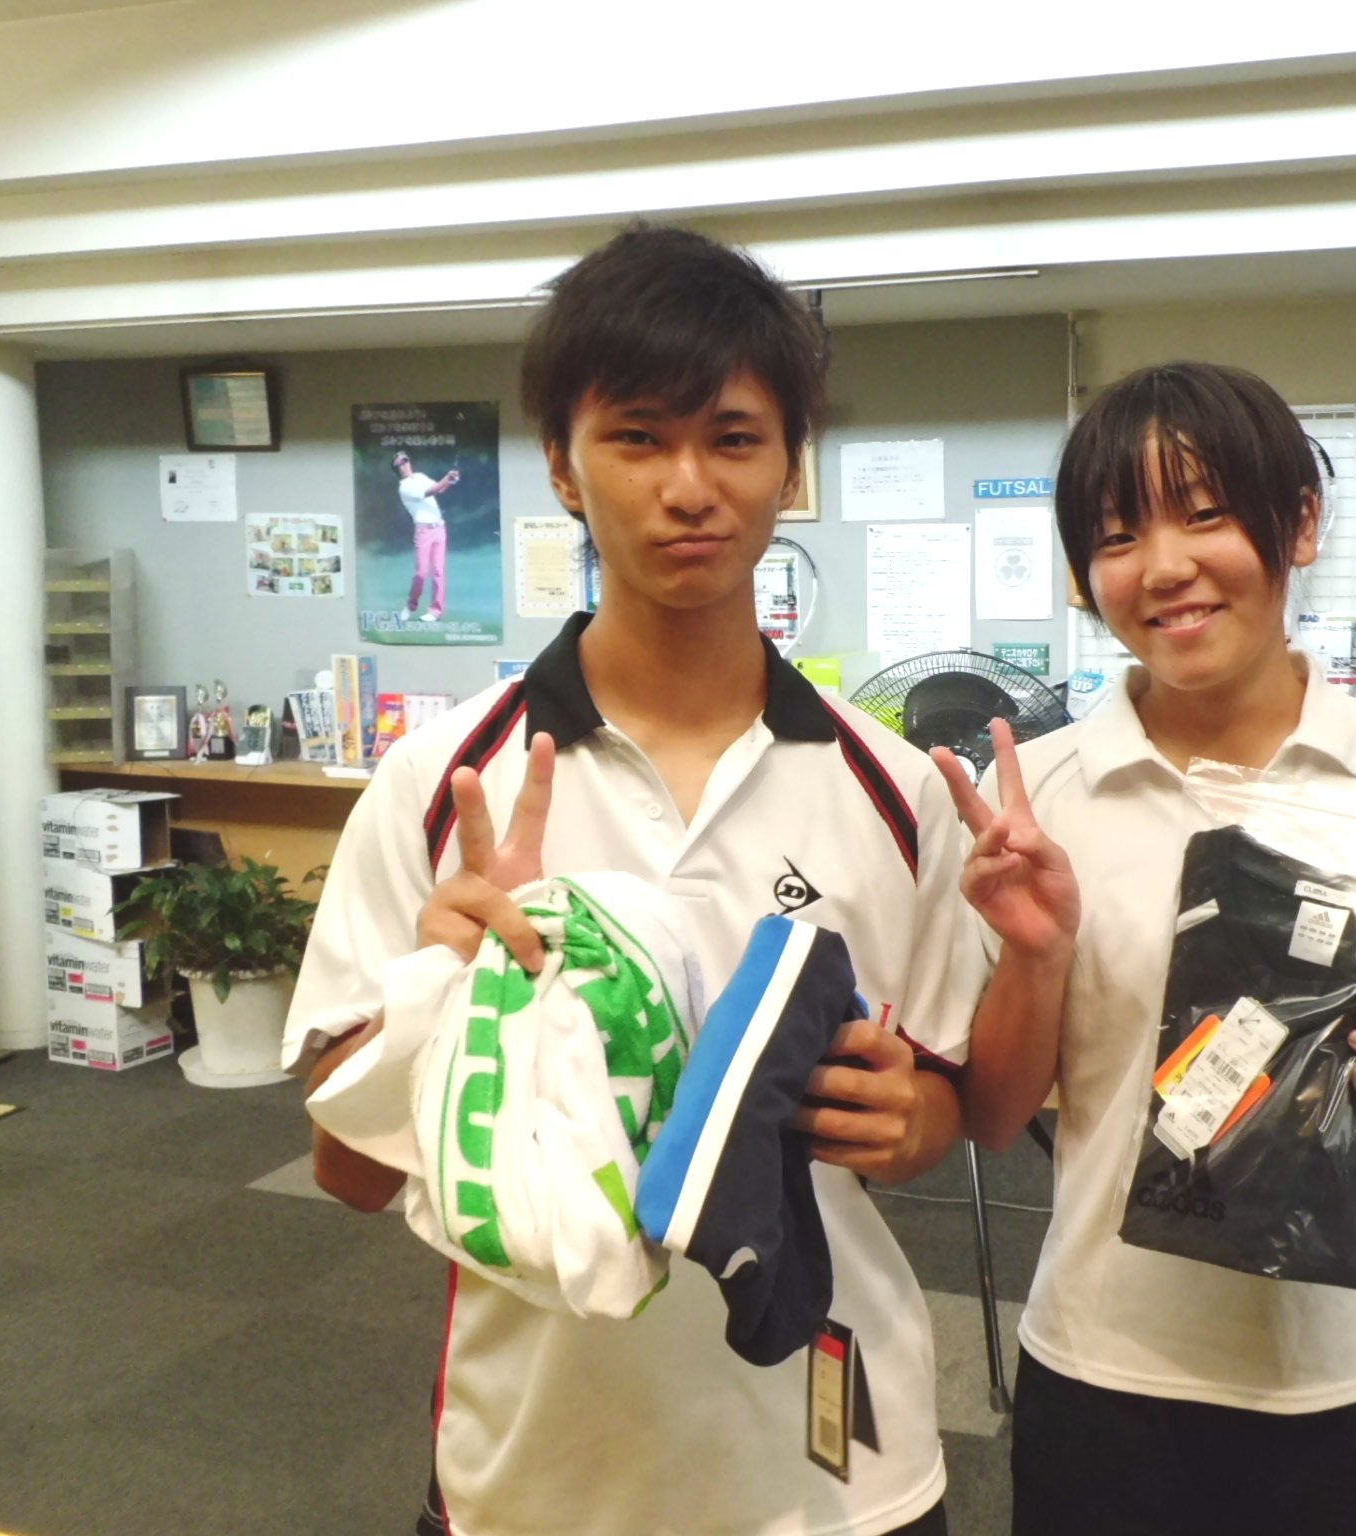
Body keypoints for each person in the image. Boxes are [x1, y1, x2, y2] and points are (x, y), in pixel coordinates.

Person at [286, 224, 1073, 1536]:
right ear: (562, 463)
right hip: (536, 1477)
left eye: (734, 437)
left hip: (838, 1477)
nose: (689, 487)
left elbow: (946, 1109)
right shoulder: (445, 784)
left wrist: (906, 1120)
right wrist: (437, 989)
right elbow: (346, 1174)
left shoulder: (892, 789)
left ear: (789, 466)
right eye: (638, 438)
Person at [936, 362, 1356, 1536]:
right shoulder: (1039, 797)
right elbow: (993, 1117)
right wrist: (1037, 955)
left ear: (1296, 523)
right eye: (1115, 536)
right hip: (1103, 1368)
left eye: (1203, 515)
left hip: (1349, 1369)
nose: (1162, 567)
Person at [393, 449, 459, 621]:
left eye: (405, 461)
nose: (404, 465)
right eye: (400, 464)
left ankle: (435, 611)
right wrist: (446, 477)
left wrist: (450, 480)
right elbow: (429, 492)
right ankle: (411, 605)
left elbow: (439, 489)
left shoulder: (420, 476)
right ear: (396, 469)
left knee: (438, 571)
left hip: (439, 528)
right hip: (423, 531)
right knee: (421, 572)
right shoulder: (404, 488)